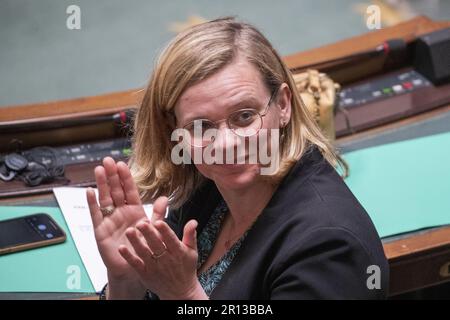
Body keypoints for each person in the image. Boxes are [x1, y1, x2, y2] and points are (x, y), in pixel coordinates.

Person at [86, 17, 389, 300]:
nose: (227, 144)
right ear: (174, 130)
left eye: (244, 117)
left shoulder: (329, 247)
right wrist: (127, 280)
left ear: (283, 105)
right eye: (201, 126)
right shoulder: (203, 186)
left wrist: (185, 295)